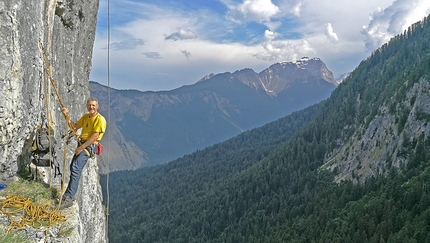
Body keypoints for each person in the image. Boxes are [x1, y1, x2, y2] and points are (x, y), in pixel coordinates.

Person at [61, 97, 106, 209]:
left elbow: (95, 136)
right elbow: (74, 127)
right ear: (87, 106)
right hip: (82, 143)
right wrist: (66, 115)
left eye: (93, 105)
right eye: (89, 105)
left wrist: (81, 148)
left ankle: (69, 197)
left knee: (76, 168)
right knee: (73, 167)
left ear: (97, 107)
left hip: (89, 145)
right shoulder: (86, 117)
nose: (91, 107)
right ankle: (68, 194)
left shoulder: (100, 120)